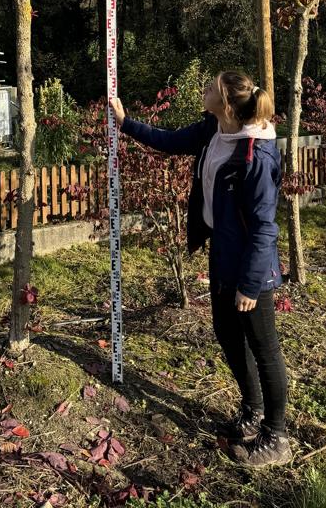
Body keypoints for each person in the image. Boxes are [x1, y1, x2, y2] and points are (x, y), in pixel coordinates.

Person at [110, 71, 291, 467]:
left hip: (251, 269)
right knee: (227, 335)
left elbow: (265, 227)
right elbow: (172, 141)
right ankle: (252, 409)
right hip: (223, 254)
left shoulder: (255, 156)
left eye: (210, 88)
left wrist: (249, 284)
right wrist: (126, 124)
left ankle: (277, 436)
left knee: (264, 347)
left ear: (226, 103)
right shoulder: (214, 129)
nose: (203, 91)